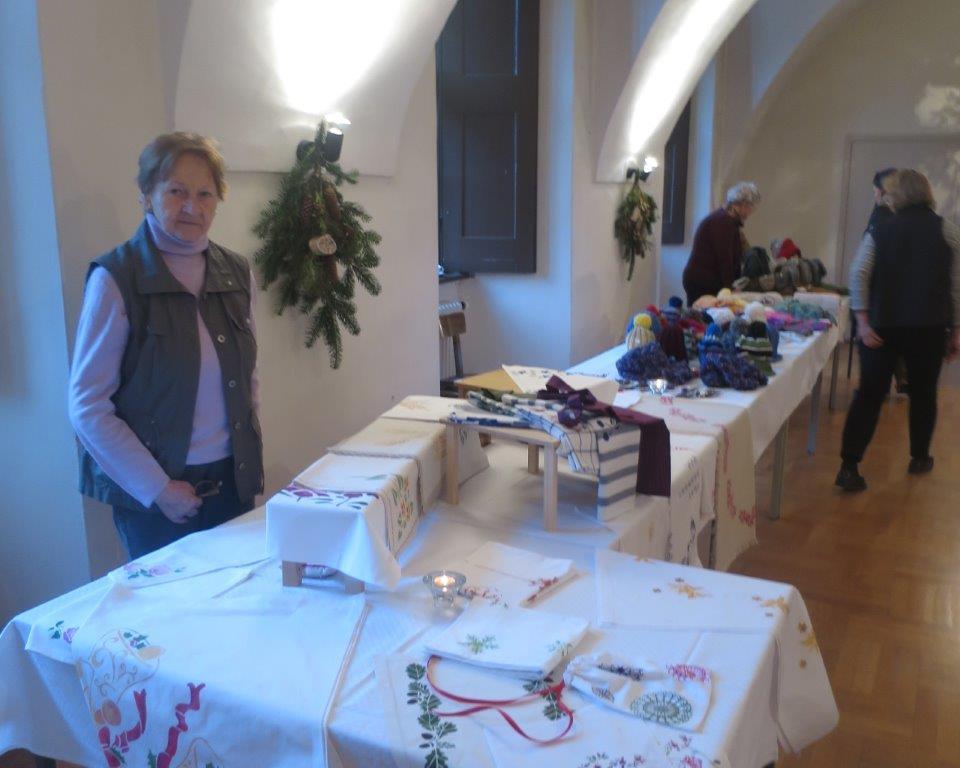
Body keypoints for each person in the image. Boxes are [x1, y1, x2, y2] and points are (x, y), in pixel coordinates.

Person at [69, 132, 264, 558]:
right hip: (158, 499)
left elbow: (248, 378)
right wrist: (157, 488)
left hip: (232, 483)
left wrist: (245, 464)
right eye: (176, 191)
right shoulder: (116, 278)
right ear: (147, 195)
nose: (192, 207)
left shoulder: (237, 273)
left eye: (204, 194)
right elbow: (87, 405)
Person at [836, 169, 960, 491]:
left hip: (881, 327)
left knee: (869, 394)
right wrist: (956, 330)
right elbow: (957, 285)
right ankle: (920, 457)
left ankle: (849, 466)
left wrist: (863, 322)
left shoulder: (880, 229)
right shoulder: (948, 229)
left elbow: (858, 274)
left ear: (897, 195)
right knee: (923, 393)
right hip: (929, 327)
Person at [682, 182, 761, 306]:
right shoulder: (722, 222)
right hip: (703, 281)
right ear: (742, 204)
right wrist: (730, 288)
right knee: (703, 315)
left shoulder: (729, 221)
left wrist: (734, 284)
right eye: (751, 207)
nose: (751, 212)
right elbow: (725, 259)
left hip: (708, 280)